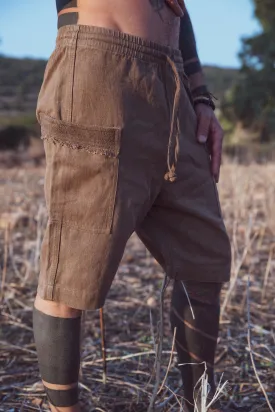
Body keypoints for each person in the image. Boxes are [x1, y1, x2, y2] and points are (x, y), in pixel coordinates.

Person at [32, 1, 243, 411]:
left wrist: (201, 95)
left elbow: (180, 12)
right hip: (100, 65)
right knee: (74, 269)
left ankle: (199, 404)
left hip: (173, 81)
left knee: (203, 261)